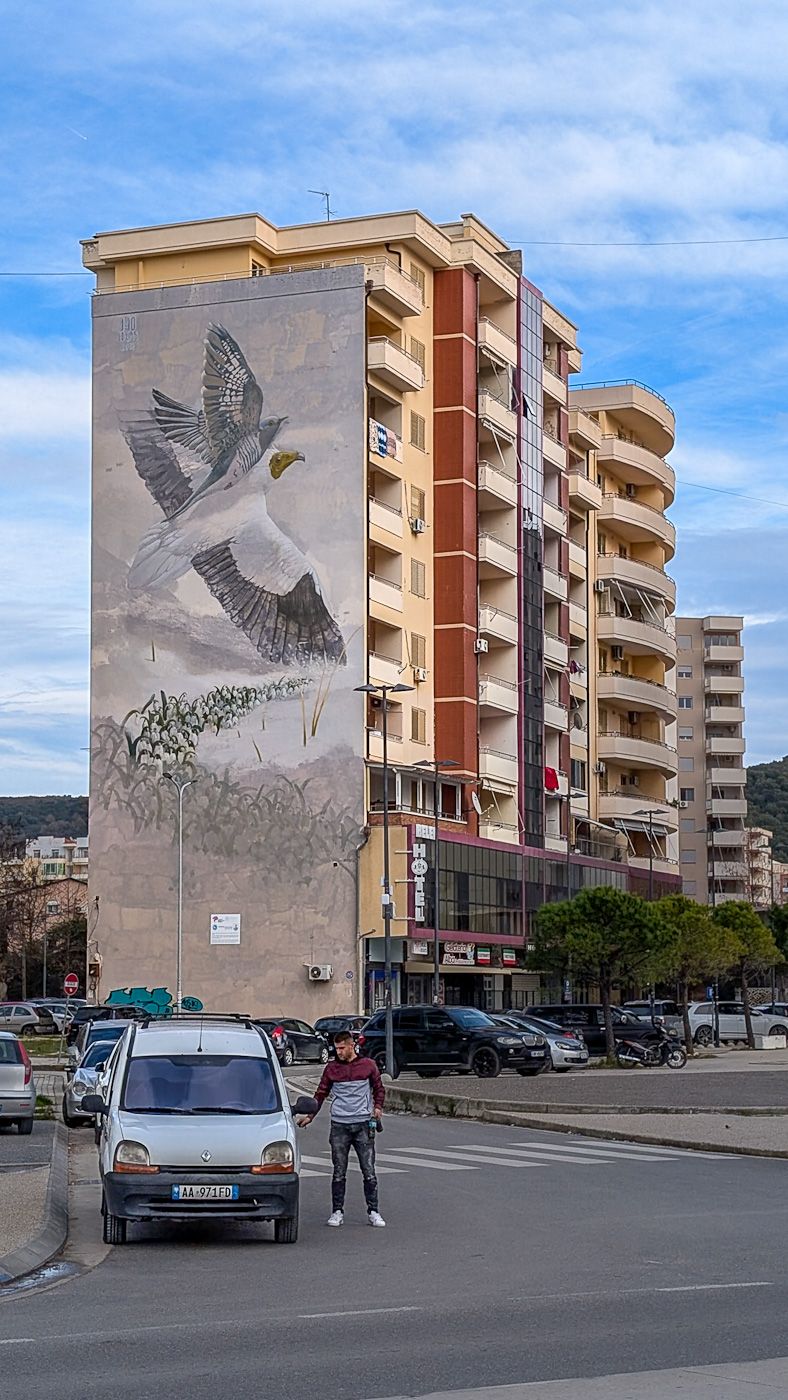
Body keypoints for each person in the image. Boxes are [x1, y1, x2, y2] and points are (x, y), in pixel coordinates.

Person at [297, 1030, 386, 1227]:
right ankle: (337, 1211)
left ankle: (373, 1211)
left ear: (352, 1046)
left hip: (363, 1124)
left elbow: (379, 1088)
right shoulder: (331, 1069)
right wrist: (310, 1116)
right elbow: (320, 1093)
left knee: (368, 1170)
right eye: (336, 1048)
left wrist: (378, 1107)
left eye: (342, 1048)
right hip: (339, 1125)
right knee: (339, 1170)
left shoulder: (368, 1065)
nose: (338, 1052)